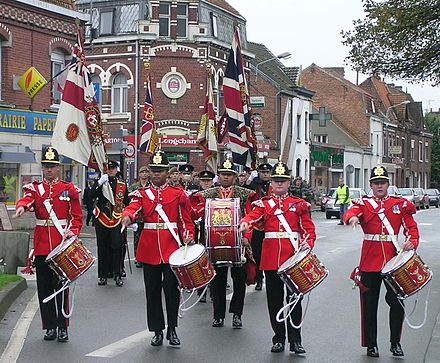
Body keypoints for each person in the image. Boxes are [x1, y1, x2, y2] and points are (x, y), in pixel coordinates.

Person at [239, 160, 316, 354]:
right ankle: (279, 338)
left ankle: (296, 339)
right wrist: (245, 222)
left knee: (294, 299)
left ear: (289, 183)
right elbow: (253, 215)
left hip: (292, 258)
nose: (279, 184)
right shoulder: (264, 204)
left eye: (283, 180)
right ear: (271, 183)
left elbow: (308, 229)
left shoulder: (298, 205)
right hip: (271, 257)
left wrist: (308, 243)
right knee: (274, 299)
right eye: (276, 181)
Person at [344, 165, 419, 358]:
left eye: (383, 183)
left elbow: (411, 228)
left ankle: (396, 343)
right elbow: (351, 212)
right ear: (370, 185)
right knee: (369, 304)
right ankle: (371, 344)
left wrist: (412, 242)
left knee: (396, 302)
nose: (379, 186)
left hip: (393, 261)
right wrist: (352, 219)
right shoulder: (363, 203)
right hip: (370, 261)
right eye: (376, 183)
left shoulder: (399, 204)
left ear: (388, 184)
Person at [121, 150, 195, 347]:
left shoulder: (177, 194)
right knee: (152, 291)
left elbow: (185, 220)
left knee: (172, 289)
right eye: (153, 171)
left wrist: (188, 235)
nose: (156, 174)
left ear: (167, 173)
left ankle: (172, 328)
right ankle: (156, 330)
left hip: (171, 248)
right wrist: (127, 216)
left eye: (160, 171)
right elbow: (133, 208)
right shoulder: (141, 194)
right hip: (149, 248)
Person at [14, 146, 82, 342]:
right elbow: (27, 200)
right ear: (42, 168)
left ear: (58, 168)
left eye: (52, 166)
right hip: (43, 245)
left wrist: (73, 231)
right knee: (44, 288)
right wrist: (21, 207)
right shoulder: (35, 189)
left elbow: (76, 218)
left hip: (61, 245)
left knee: (61, 288)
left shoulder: (68, 190)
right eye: (46, 166)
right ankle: (50, 326)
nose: (49, 170)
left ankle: (63, 326)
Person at [194, 159, 257, 328]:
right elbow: (199, 215)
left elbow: (250, 217)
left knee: (239, 280)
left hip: (238, 242)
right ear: (219, 176)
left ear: (235, 177)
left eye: (229, 175)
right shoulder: (209, 194)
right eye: (223, 174)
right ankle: (218, 315)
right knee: (218, 280)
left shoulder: (244, 194)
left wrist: (246, 237)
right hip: (215, 243)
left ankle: (237, 314)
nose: (226, 178)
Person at [92, 160, 129, 287]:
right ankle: (102, 275)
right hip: (102, 218)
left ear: (116, 169)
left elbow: (127, 201)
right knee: (102, 247)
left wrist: (130, 217)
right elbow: (90, 195)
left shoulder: (122, 184)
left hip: (117, 219)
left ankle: (117, 274)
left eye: (113, 168)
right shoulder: (101, 182)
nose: (111, 170)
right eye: (109, 168)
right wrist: (99, 183)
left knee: (117, 247)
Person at [190, 170, 215, 302]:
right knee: (201, 261)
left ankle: (213, 289)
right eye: (204, 181)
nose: (206, 183)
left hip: (214, 231)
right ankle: (202, 290)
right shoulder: (195, 195)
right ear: (199, 182)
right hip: (199, 230)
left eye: (208, 181)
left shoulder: (216, 195)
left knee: (213, 260)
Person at [247, 163, 272, 290]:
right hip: (256, 224)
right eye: (262, 172)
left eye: (267, 172)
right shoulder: (253, 185)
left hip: (270, 224)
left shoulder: (274, 186)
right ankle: (259, 279)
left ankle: (269, 277)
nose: (265, 174)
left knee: (269, 254)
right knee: (256, 253)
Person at [129, 165, 150, 268]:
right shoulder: (134, 186)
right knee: (137, 238)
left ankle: (147, 257)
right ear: (139, 174)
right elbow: (130, 201)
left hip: (148, 216)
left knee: (148, 239)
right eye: (142, 172)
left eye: (146, 172)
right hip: (138, 217)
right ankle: (138, 258)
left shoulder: (151, 186)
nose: (144, 174)